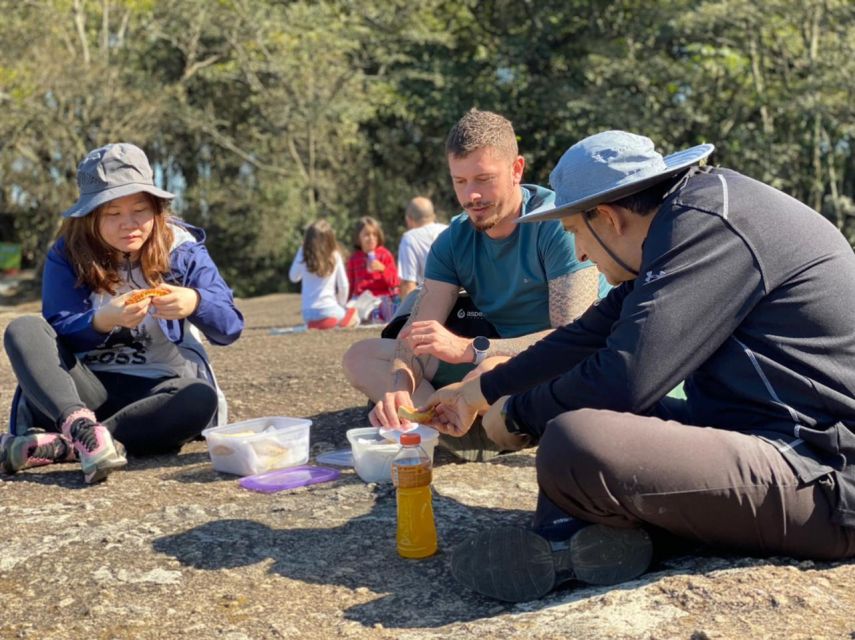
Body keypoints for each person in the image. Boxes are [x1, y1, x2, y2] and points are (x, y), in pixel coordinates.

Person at [422, 130, 855, 602]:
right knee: (576, 429)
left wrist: (520, 414)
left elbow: (625, 378)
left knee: (575, 439)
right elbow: (586, 336)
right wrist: (480, 392)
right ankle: (600, 536)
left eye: (576, 234)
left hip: (825, 474)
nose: (581, 253)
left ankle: (581, 539)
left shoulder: (707, 229)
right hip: (761, 438)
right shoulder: (689, 222)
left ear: (607, 217)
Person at [341, 108, 604, 460]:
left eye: (483, 179)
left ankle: (472, 416)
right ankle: (435, 424)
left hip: (555, 364)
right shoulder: (453, 239)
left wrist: (473, 350)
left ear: (516, 170)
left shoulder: (556, 225)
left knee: (490, 369)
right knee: (361, 357)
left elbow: (572, 338)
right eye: (460, 181)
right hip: (498, 363)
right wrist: (399, 386)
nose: (471, 196)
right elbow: (417, 334)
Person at [0, 142, 244, 484]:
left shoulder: (182, 248)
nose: (128, 224)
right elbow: (57, 329)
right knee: (23, 328)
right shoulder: (68, 252)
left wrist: (195, 301)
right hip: (83, 390)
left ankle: (72, 445)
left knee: (198, 398)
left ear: (157, 209)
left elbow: (230, 327)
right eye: (112, 213)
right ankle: (81, 428)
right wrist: (102, 320)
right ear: (90, 215)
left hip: (158, 392)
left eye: (140, 210)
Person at [289, 220, 358, 330]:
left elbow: (293, 278)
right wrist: (341, 304)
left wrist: (301, 253)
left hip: (307, 314)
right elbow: (344, 285)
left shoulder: (302, 253)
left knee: (334, 314)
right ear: (331, 239)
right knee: (354, 315)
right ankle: (333, 322)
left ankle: (319, 324)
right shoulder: (335, 255)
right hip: (329, 309)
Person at [396, 196, 447, 299]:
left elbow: (408, 284)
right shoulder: (449, 230)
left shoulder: (409, 238)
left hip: (432, 302)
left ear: (409, 219)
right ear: (433, 216)